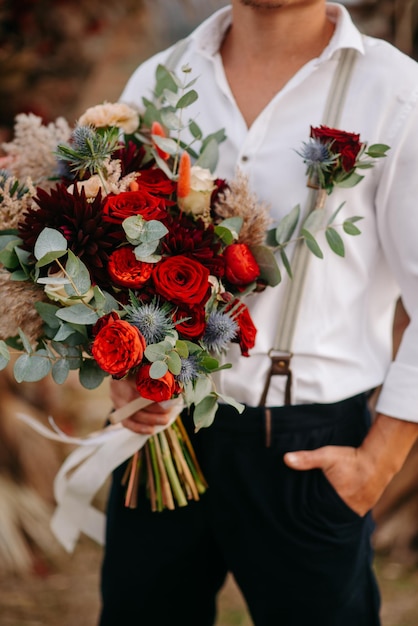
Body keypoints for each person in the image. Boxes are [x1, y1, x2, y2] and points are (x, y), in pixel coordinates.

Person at [98, 2, 418, 625]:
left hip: (307, 451)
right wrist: (120, 363)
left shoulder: (396, 92)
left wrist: (378, 460)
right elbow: (115, 252)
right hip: (161, 431)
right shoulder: (158, 78)